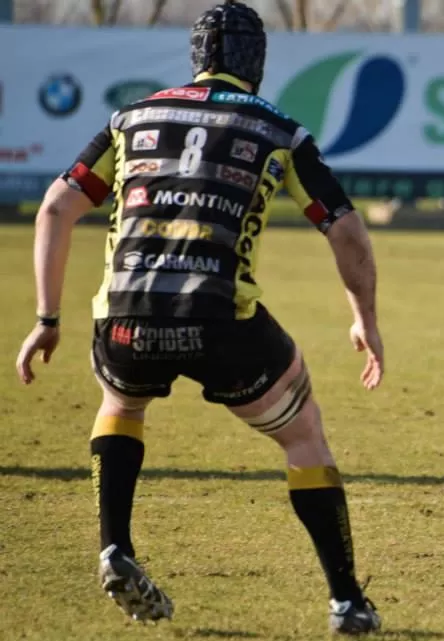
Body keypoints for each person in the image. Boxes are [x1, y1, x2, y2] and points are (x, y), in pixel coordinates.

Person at [15, 1, 384, 634]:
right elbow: (345, 228)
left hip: (125, 319)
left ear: (196, 57)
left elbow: (54, 208)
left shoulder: (132, 118)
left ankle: (114, 546)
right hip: (222, 321)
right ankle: (347, 600)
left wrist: (48, 316)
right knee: (303, 437)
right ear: (257, 62)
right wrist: (364, 319)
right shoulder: (280, 131)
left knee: (121, 406)